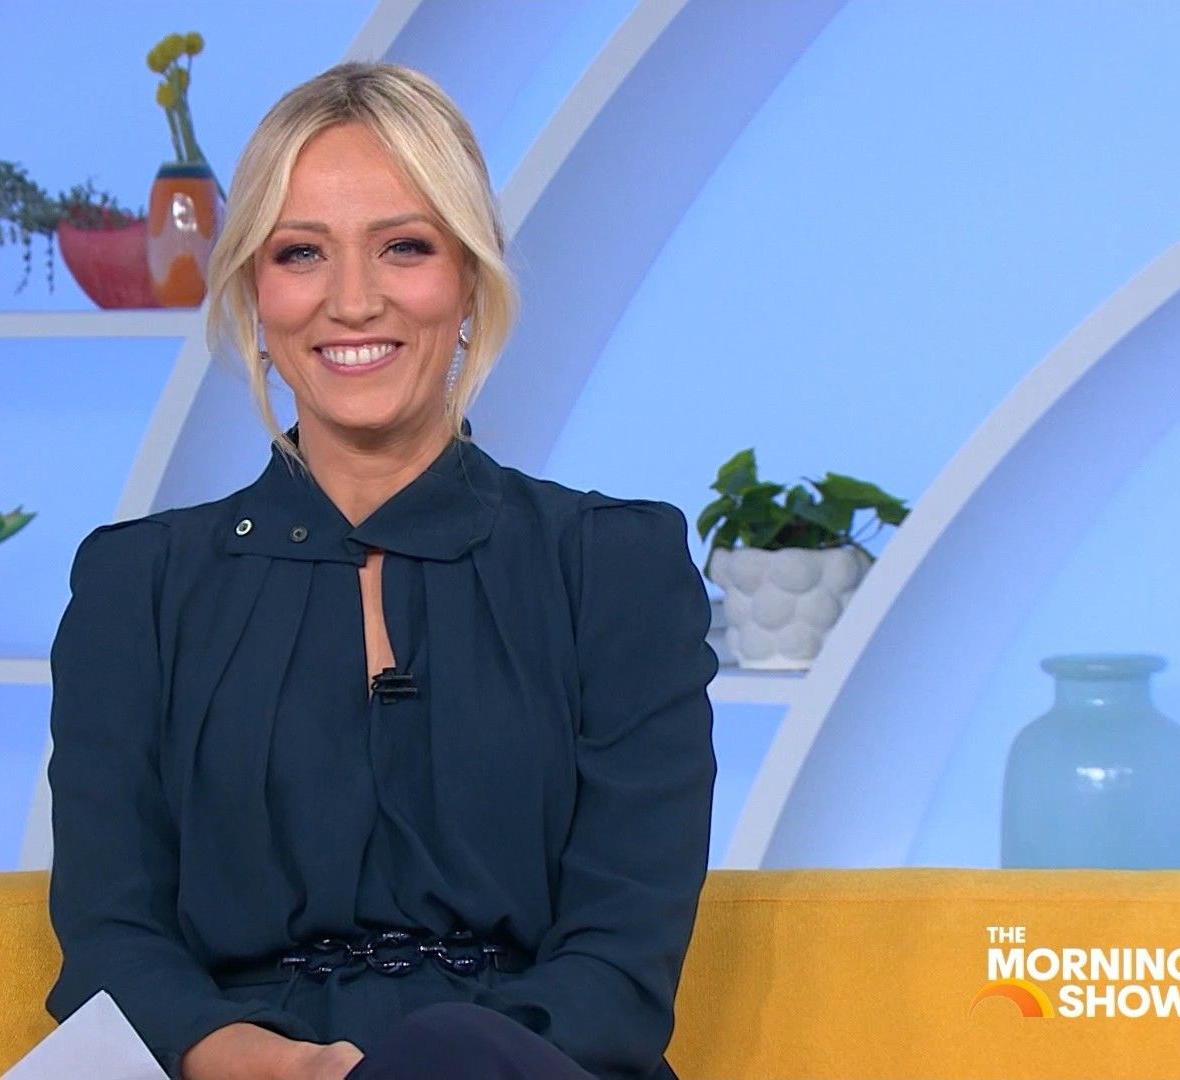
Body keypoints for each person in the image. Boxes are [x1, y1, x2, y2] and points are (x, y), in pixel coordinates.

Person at [44, 60, 718, 1080]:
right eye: (301, 253)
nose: (353, 301)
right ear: (255, 293)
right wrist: (284, 1068)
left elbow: (619, 969)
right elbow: (112, 940)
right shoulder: (136, 587)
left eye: (404, 247)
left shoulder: (614, 569)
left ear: (469, 280)